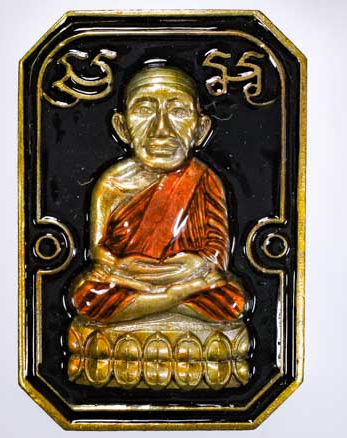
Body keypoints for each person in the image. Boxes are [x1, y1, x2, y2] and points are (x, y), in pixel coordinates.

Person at [69, 64, 246, 323]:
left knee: (230, 299)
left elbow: (217, 251)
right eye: (144, 110)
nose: (161, 130)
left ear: (200, 129)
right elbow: (99, 251)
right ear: (122, 127)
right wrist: (121, 267)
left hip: (185, 276)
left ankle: (152, 304)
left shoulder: (203, 178)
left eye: (178, 111)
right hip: (132, 279)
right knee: (87, 296)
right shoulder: (112, 183)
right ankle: (173, 300)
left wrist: (195, 264)